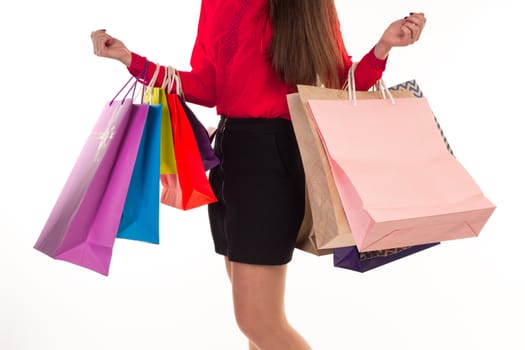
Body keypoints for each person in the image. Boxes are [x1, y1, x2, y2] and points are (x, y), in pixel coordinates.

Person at [91, 1, 425, 349]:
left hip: (273, 159)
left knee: (257, 319)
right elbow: (207, 86)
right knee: (256, 327)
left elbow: (340, 86)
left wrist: (383, 48)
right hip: (229, 153)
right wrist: (131, 60)